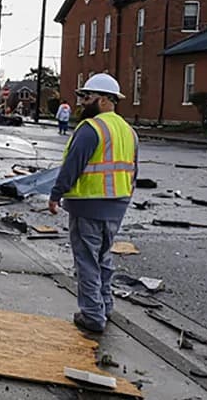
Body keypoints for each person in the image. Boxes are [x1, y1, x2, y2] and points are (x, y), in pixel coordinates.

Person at [48, 73, 138, 334]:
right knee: (103, 258)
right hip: (117, 204)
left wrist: (56, 194)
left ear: (103, 100)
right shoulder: (128, 131)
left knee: (86, 261)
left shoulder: (92, 128)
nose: (81, 102)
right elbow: (134, 170)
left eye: (86, 97)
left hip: (88, 203)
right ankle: (106, 306)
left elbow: (72, 166)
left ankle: (92, 316)